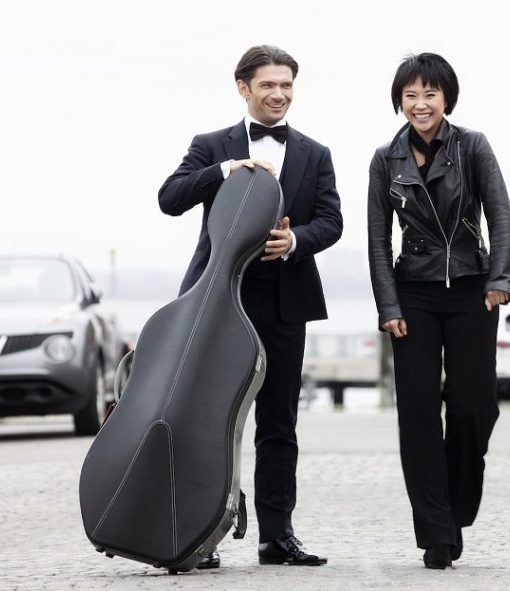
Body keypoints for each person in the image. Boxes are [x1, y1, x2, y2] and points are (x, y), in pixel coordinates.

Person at [158, 44, 342, 568]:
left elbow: (332, 220)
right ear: (243, 87)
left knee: (279, 423)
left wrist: (297, 241)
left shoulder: (316, 152)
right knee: (208, 419)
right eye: (268, 85)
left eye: (286, 85)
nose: (279, 94)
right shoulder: (210, 144)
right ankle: (200, 535)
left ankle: (277, 537)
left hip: (287, 300)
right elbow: (169, 198)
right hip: (219, 298)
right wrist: (222, 170)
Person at [366, 53, 510, 569]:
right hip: (414, 296)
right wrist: (388, 304)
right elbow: (376, 240)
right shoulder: (386, 160)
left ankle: (457, 503)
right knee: (419, 412)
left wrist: (499, 279)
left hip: (473, 290)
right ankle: (436, 530)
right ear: (399, 102)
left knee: (476, 405)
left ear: (446, 98)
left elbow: (500, 214)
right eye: (410, 95)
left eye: (430, 94)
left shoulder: (472, 146)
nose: (420, 103)